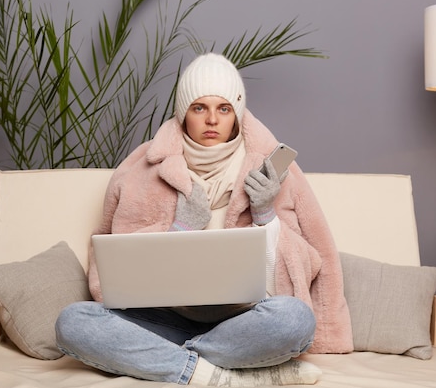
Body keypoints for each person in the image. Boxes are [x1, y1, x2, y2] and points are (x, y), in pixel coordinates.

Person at [56, 53, 353, 386]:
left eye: (223, 109)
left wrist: (265, 215)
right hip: (161, 320)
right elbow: (112, 275)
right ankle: (224, 373)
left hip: (244, 322)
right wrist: (180, 229)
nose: (212, 119)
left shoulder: (271, 171)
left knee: (295, 320)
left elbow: (302, 270)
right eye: (199, 108)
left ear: (237, 115)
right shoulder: (139, 170)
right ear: (184, 114)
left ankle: (165, 360)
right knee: (72, 322)